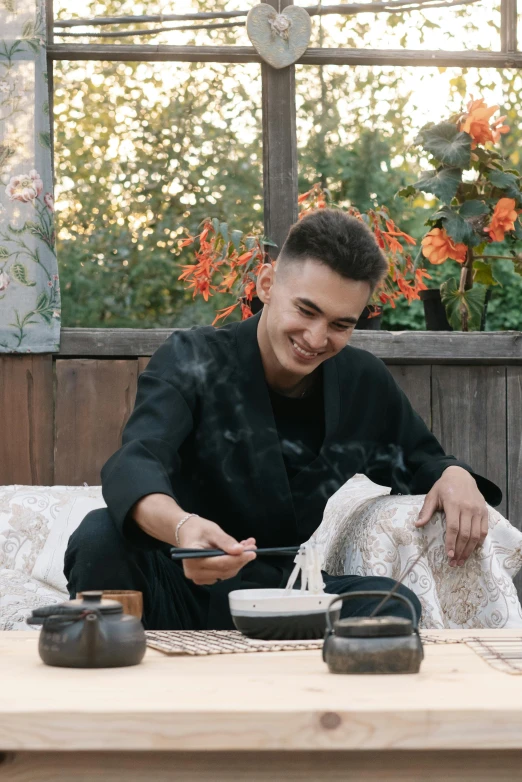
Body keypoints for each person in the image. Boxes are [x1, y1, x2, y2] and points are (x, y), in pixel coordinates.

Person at [65, 208, 502, 630]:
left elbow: (421, 460)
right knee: (99, 536)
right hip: (175, 584)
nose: (316, 339)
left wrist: (455, 476)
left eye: (340, 325)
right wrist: (184, 529)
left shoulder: (362, 382)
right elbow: (136, 461)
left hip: (283, 593)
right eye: (306, 311)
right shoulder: (192, 358)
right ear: (267, 283)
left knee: (394, 603)